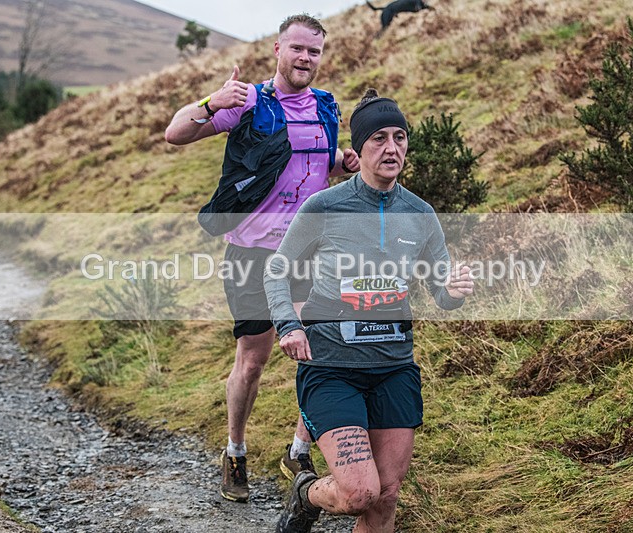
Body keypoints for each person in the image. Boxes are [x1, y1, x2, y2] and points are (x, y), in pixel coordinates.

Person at [164, 14, 359, 503]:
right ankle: (235, 451)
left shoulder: (325, 106)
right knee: (253, 360)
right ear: (277, 49)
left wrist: (343, 162)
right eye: (297, 49)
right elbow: (175, 133)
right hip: (253, 253)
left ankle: (297, 450)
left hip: (309, 253)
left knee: (323, 350)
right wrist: (211, 102)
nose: (305, 59)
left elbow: (318, 159)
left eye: (313, 52)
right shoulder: (250, 101)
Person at [265, 88, 474, 533]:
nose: (392, 147)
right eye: (379, 137)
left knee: (386, 499)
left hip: (393, 368)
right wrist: (288, 324)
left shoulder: (420, 213)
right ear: (358, 149)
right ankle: (306, 495)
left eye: (400, 137)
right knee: (360, 493)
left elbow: (441, 290)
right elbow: (276, 269)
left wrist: (453, 290)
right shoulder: (325, 206)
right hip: (332, 368)